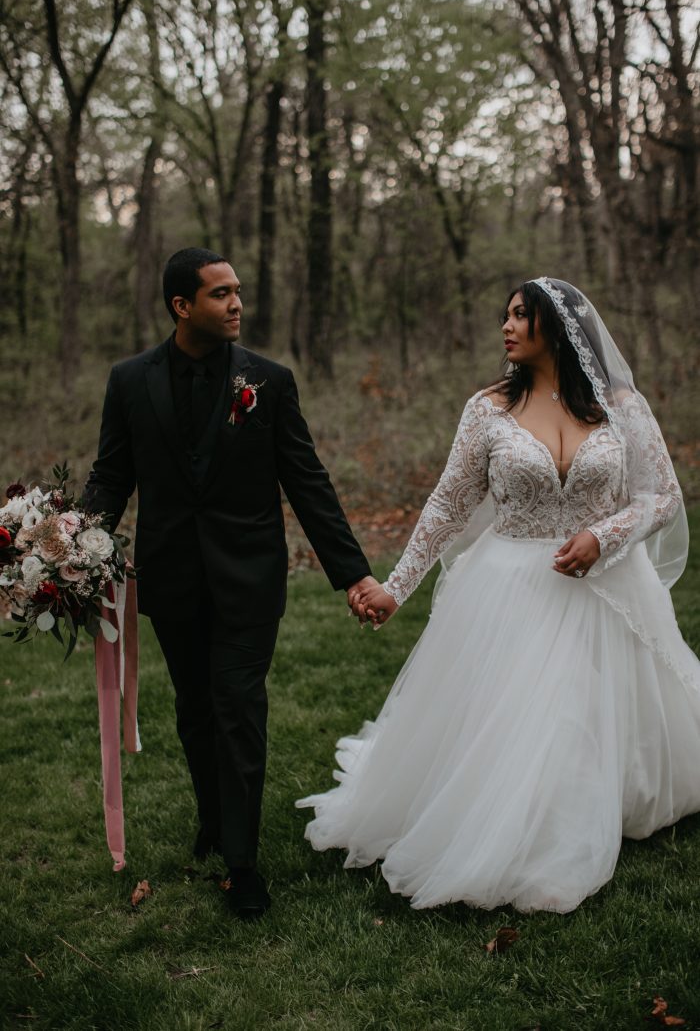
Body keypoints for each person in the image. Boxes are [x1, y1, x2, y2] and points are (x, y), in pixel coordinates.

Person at [296, 277, 700, 914]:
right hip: (512, 585)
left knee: (603, 705)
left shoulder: (622, 404)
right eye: (506, 316)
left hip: (609, 584)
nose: (507, 327)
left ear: (560, 328)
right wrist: (396, 587)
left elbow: (662, 497)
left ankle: (610, 796)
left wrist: (604, 533)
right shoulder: (487, 408)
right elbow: (448, 504)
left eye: (522, 316)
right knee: (535, 714)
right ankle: (535, 820)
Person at [84, 247, 379, 918]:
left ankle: (242, 864)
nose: (237, 303)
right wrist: (73, 546)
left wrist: (352, 573)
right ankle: (214, 820)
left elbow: (307, 481)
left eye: (238, 291)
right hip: (173, 577)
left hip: (249, 576)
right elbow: (111, 475)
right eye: (220, 294)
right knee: (195, 710)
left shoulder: (268, 382)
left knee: (238, 707)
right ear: (181, 305)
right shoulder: (130, 381)